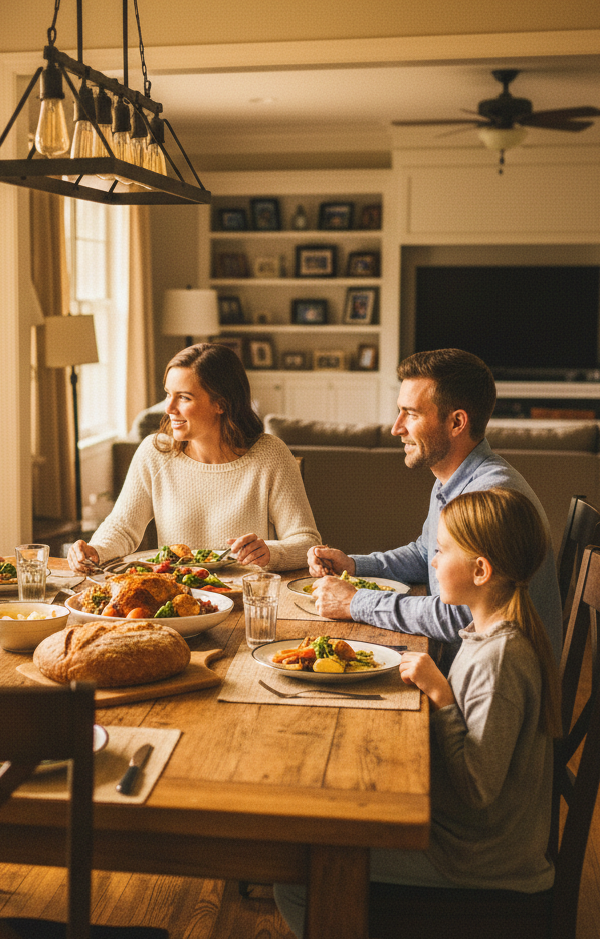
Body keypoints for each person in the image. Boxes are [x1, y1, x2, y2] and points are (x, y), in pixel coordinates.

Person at [275, 487, 560, 937]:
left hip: (479, 858)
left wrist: (440, 696)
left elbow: (477, 786)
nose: (433, 562)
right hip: (468, 836)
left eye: (442, 551)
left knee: (295, 874)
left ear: (480, 571)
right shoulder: (486, 631)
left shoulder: (500, 657)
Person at [307, 348, 563, 663]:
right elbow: (425, 553)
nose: (396, 428)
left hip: (489, 687)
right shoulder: (452, 479)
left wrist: (356, 602)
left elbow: (459, 618)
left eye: (411, 413)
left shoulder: (487, 497)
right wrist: (355, 567)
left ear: (457, 422)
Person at [67, 343, 319, 573]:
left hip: (245, 599)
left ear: (221, 404)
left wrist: (270, 552)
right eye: (168, 394)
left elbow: (306, 541)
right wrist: (95, 550)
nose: (168, 408)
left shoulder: (270, 455)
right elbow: (123, 528)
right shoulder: (154, 453)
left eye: (184, 397)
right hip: (178, 601)